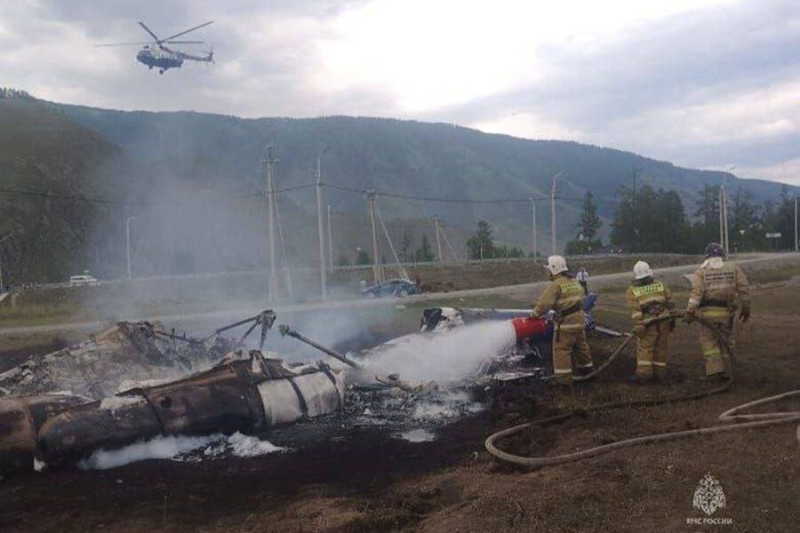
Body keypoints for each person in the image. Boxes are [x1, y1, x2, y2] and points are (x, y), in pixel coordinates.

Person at [685, 243, 750, 380]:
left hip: (708, 314)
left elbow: (696, 294)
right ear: (722, 255)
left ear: (707, 256)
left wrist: (690, 312)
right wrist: (746, 308)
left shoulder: (701, 272)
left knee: (709, 343)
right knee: (726, 341)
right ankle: (729, 370)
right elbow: (744, 289)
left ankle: (715, 372)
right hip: (727, 314)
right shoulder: (733, 269)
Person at [531, 255, 593, 385]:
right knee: (581, 346)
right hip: (579, 321)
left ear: (554, 269)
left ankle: (563, 380)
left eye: (548, 269)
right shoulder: (574, 282)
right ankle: (587, 371)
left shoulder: (556, 285)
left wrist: (534, 314)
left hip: (566, 324)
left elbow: (544, 305)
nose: (547, 272)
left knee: (561, 349)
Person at [624, 261, 675, 383]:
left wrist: (638, 324)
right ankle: (660, 374)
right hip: (663, 321)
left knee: (645, 348)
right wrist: (672, 318)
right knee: (661, 348)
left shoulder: (632, 291)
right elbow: (671, 302)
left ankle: (644, 376)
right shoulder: (660, 285)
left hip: (648, 324)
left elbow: (635, 310)